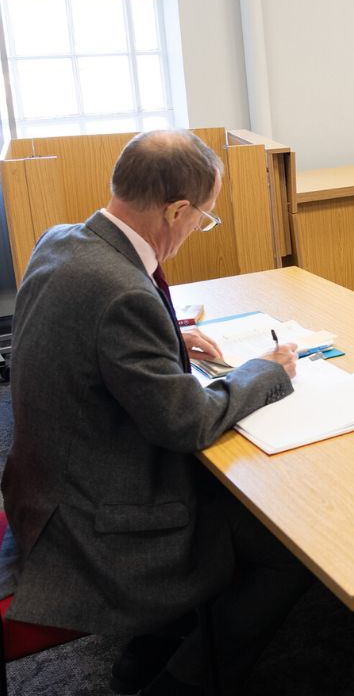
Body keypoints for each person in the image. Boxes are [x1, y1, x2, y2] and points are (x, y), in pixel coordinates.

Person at [0, 130, 311, 695]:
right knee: (286, 548)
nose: (198, 229)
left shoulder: (62, 241)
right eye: (204, 219)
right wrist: (268, 370)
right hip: (95, 520)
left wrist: (170, 336)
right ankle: (179, 683)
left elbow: (87, 335)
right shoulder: (123, 293)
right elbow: (186, 423)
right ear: (176, 209)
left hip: (42, 487)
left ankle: (142, 655)